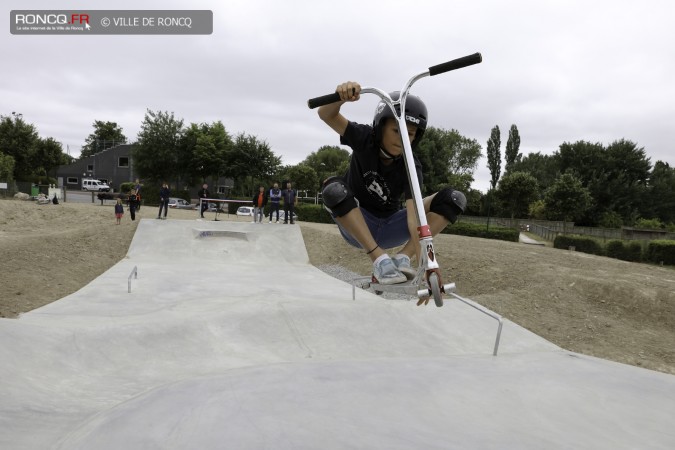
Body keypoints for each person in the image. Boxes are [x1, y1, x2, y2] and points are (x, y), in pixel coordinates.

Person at [316, 82, 466, 285]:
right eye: (397, 130)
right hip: (358, 224)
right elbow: (326, 114)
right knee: (332, 187)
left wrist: (428, 264)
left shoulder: (411, 164)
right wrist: (339, 97)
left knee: (453, 199)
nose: (403, 139)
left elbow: (416, 219)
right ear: (380, 127)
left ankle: (401, 258)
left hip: (391, 226)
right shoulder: (364, 138)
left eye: (410, 134)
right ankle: (379, 260)